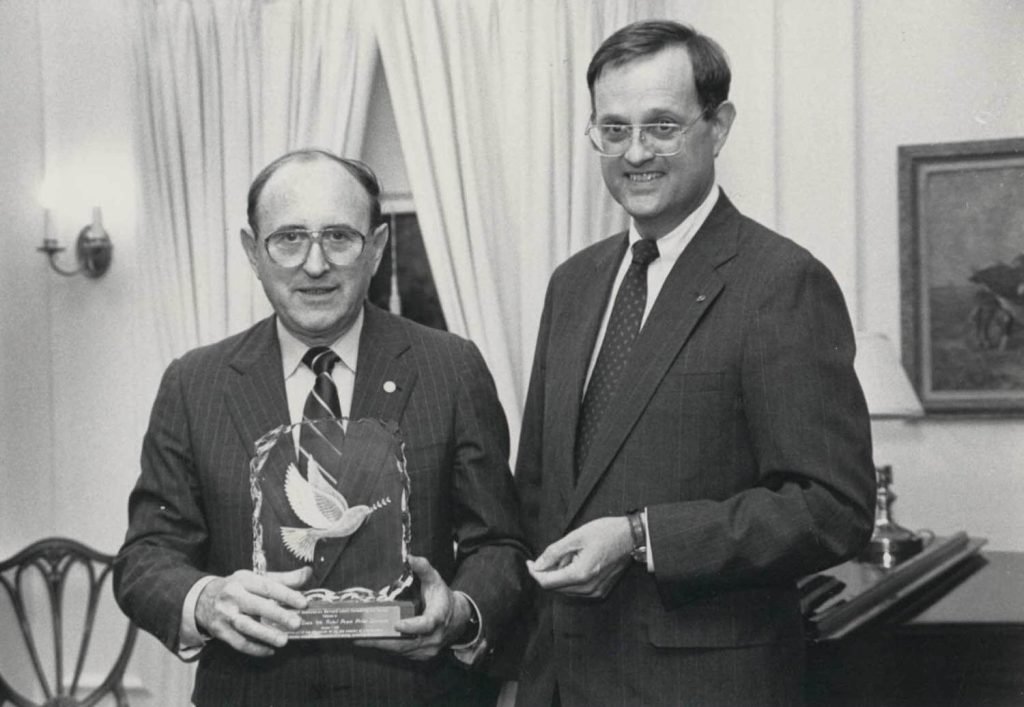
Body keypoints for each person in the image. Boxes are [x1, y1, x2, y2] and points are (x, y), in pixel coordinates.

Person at [514, 20, 875, 707]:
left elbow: (834, 508)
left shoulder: (781, 282)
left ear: (719, 126)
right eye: (613, 130)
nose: (636, 152)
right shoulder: (574, 283)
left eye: (662, 126)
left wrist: (640, 537)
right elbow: (538, 490)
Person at [114, 149, 529, 706]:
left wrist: (460, 610)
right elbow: (145, 556)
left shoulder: (450, 368)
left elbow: (500, 543)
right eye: (288, 239)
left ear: (377, 248)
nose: (315, 264)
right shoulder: (195, 384)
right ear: (252, 252)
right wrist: (206, 598)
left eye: (339, 237)